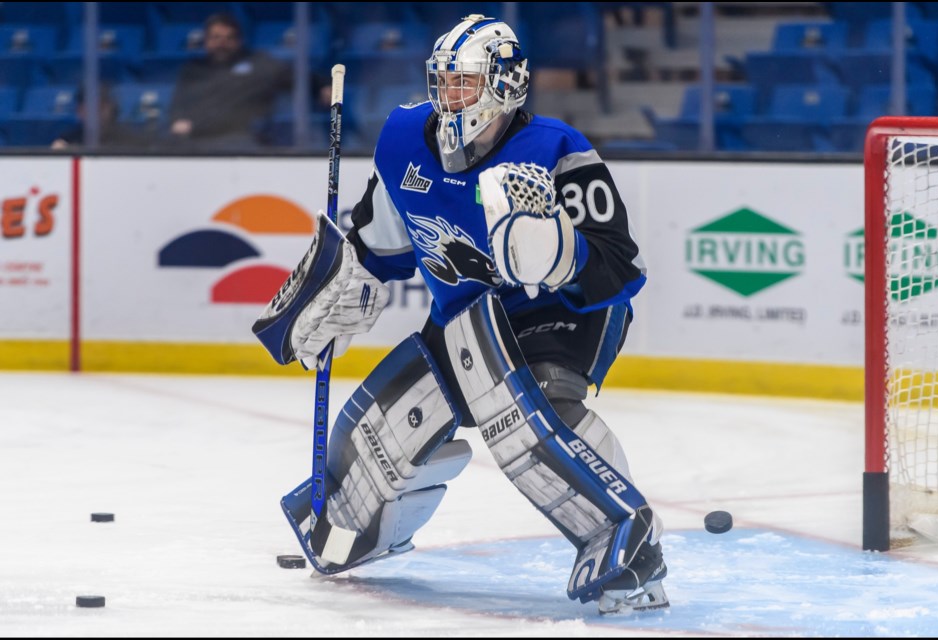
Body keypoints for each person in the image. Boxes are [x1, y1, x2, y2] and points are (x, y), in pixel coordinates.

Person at [253, 14, 664, 615]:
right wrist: (348, 279)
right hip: (472, 313)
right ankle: (355, 527)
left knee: (535, 410)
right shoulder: (401, 142)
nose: (449, 98)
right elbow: (380, 243)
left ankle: (629, 545)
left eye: (464, 84)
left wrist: (555, 251)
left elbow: (621, 266)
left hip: (566, 311)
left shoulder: (556, 149)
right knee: (383, 433)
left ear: (505, 84)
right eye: (443, 82)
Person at [167, 12, 292, 150]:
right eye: (216, 38)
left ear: (239, 41)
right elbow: (177, 105)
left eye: (229, 38)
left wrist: (320, 86)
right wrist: (176, 121)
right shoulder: (192, 71)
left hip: (241, 142)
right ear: (206, 41)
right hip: (197, 144)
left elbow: (295, 75)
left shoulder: (258, 66)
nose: (222, 44)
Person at [51, 84, 152, 150]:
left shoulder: (131, 140)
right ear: (79, 111)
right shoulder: (68, 139)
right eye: (91, 107)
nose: (98, 113)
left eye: (101, 107)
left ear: (111, 108)